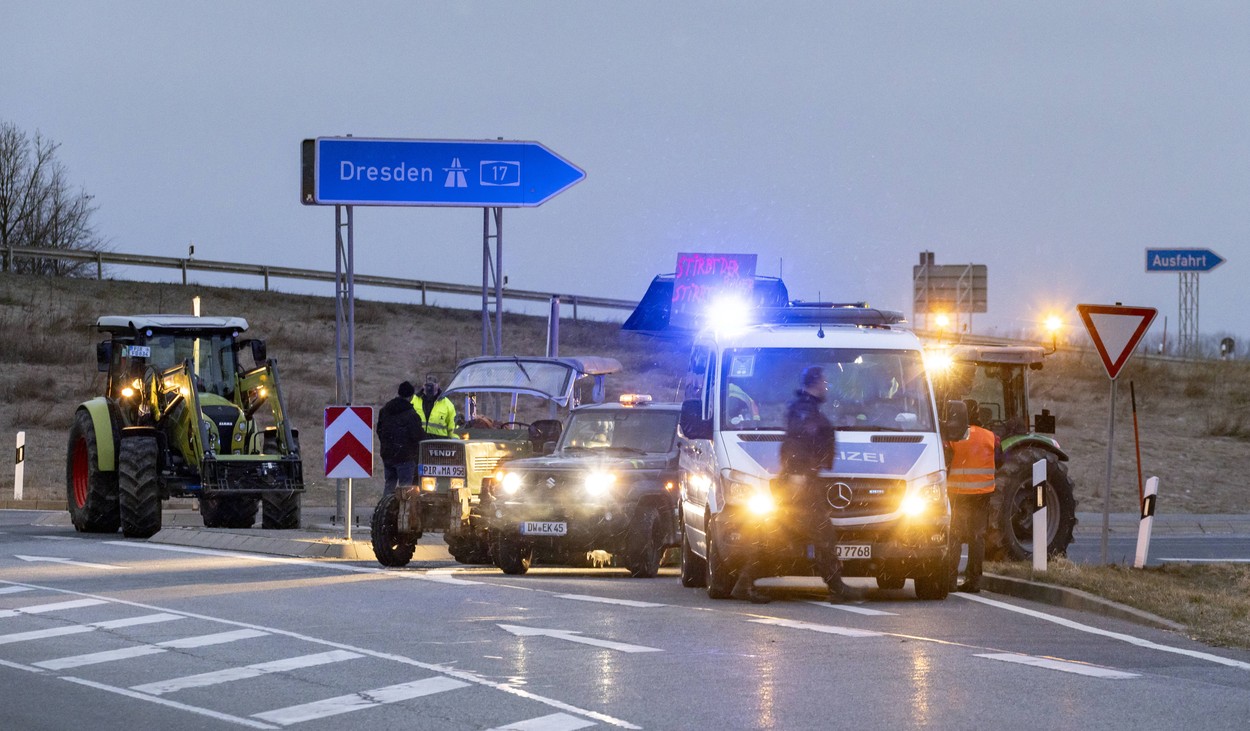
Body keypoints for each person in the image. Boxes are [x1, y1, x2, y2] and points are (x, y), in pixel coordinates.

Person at [947, 398, 1003, 593]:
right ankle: (974, 581)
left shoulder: (954, 436)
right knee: (977, 537)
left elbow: (946, 461)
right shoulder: (991, 437)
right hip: (982, 496)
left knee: (954, 536)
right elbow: (1000, 461)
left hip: (958, 494)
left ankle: (950, 580)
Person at [377, 381, 426, 496]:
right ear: (411, 396)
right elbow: (418, 436)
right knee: (406, 489)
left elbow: (379, 430)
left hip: (387, 455)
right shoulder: (411, 414)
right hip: (405, 457)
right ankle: (403, 512)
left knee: (389, 485)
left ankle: (385, 509)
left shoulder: (384, 411)